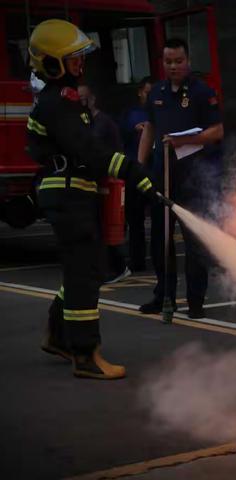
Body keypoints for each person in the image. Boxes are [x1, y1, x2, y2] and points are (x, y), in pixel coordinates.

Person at [27, 19, 161, 379]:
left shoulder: (65, 100)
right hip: (68, 194)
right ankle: (86, 355)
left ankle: (58, 336)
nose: (80, 64)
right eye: (72, 59)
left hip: (74, 192)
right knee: (85, 273)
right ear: (52, 63)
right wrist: (132, 172)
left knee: (83, 268)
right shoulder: (58, 103)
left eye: (80, 58)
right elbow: (89, 149)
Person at [138, 38, 224, 318]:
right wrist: (139, 166)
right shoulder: (157, 93)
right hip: (163, 176)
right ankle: (164, 296)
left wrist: (186, 139)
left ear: (188, 61)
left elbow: (217, 131)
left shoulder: (201, 92)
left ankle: (196, 301)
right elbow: (149, 128)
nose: (173, 66)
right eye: (168, 62)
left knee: (194, 241)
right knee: (160, 241)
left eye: (178, 61)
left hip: (193, 179)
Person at [77, 83, 131, 284]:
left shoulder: (105, 123)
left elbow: (117, 151)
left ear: (92, 99)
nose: (81, 103)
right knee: (95, 226)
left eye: (84, 99)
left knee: (109, 225)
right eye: (78, 99)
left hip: (108, 181)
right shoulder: (82, 122)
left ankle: (118, 266)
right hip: (90, 182)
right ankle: (103, 266)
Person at [120, 77, 154, 272]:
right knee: (135, 220)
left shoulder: (159, 112)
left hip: (154, 171)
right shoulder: (131, 114)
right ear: (140, 92)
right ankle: (137, 260)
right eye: (147, 92)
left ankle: (160, 258)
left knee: (160, 219)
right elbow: (124, 132)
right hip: (135, 173)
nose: (150, 96)